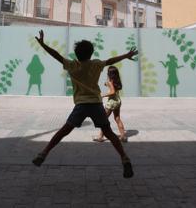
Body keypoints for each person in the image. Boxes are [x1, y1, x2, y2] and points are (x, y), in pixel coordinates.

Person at [31, 30, 137, 178]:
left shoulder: (72, 65)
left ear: (76, 54)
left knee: (63, 131)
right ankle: (124, 158)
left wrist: (43, 45)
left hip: (81, 105)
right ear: (91, 53)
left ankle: (43, 153)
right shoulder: (96, 64)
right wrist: (126, 55)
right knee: (109, 133)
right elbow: (111, 60)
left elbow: (56, 56)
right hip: (95, 104)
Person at [93, 66, 127, 143]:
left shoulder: (110, 82)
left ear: (109, 74)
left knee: (103, 120)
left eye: (107, 72)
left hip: (111, 103)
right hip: (118, 101)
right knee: (117, 119)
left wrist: (103, 95)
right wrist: (107, 84)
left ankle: (100, 137)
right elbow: (114, 88)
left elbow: (112, 92)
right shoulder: (116, 81)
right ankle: (123, 136)